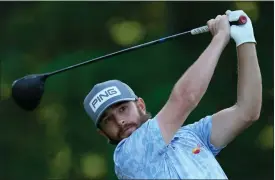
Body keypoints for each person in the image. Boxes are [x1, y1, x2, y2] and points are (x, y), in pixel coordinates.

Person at [83, 10, 262, 179]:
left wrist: (245, 39)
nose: (119, 121)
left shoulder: (191, 136)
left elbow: (247, 112)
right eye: (108, 120)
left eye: (123, 109)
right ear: (103, 134)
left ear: (140, 105)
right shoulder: (127, 156)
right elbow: (185, 98)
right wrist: (220, 37)